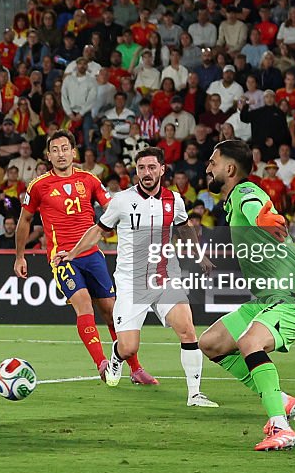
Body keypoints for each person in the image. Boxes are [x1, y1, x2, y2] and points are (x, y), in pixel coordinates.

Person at [55, 147, 216, 408]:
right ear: (136, 171)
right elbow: (99, 230)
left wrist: (200, 256)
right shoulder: (121, 201)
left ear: (162, 170)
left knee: (187, 330)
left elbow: (184, 228)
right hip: (131, 283)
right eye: (141, 168)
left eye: (152, 167)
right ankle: (117, 359)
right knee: (128, 347)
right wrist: (73, 253)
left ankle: (195, 394)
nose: (147, 173)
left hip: (165, 278)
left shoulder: (174, 200)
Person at [198, 139, 295, 450]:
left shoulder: (244, 192)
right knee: (211, 344)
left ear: (229, 168)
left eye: (212, 163)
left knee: (250, 343)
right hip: (268, 299)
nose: (207, 168)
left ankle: (281, 426)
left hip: (294, 296)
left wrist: (266, 220)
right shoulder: (231, 201)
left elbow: (258, 210)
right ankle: (280, 399)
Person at [15, 130, 156, 384]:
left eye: (64, 148)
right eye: (55, 150)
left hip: (93, 255)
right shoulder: (38, 186)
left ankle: (135, 369)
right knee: (84, 305)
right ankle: (102, 363)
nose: (60, 154)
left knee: (112, 312)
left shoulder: (89, 179)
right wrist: (19, 256)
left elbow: (111, 208)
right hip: (62, 259)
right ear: (48, 155)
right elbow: (24, 220)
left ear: (73, 152)